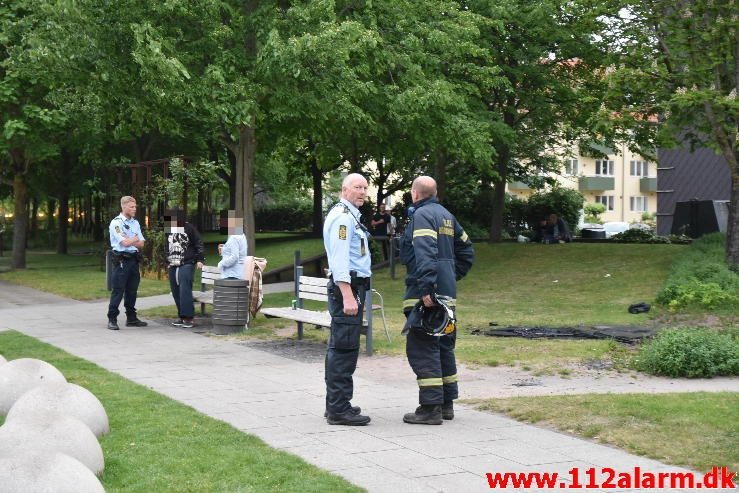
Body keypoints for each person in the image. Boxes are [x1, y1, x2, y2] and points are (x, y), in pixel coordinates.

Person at [399, 176, 474, 424]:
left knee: (422, 348)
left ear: (415, 194)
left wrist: (427, 287)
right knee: (443, 346)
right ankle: (446, 404)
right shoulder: (447, 216)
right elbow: (467, 251)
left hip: (425, 295)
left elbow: (425, 252)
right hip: (447, 295)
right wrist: (450, 276)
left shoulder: (422, 216)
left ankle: (430, 408)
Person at [322, 173, 372, 426]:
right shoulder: (343, 218)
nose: (363, 191)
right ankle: (338, 409)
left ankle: (338, 404)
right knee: (343, 349)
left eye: (365, 187)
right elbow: (340, 259)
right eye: (357, 187)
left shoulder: (350, 215)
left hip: (352, 287)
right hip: (348, 288)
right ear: (344, 189)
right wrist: (347, 294)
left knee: (343, 347)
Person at [107, 196, 148, 330]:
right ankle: (112, 318)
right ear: (123, 207)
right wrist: (134, 239)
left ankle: (131, 318)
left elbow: (141, 243)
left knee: (132, 290)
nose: (135, 209)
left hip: (134, 260)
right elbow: (123, 242)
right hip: (121, 261)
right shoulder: (116, 223)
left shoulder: (135, 223)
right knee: (118, 290)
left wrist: (131, 239)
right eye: (132, 207)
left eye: (135, 206)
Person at [164, 208, 205, 328]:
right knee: (175, 290)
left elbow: (198, 243)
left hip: (187, 262)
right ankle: (181, 316)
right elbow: (166, 245)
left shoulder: (189, 228)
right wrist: (167, 259)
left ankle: (188, 318)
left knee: (184, 290)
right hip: (173, 263)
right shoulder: (169, 229)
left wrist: (200, 259)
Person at [217, 210, 248, 279]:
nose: (219, 225)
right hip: (238, 273)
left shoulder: (234, 237)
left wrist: (221, 264)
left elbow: (235, 257)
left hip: (232, 274)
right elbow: (237, 251)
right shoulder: (241, 235)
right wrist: (224, 248)